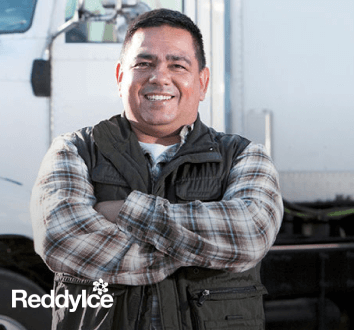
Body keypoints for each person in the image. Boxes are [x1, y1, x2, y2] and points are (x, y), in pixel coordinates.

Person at [30, 8, 283, 330]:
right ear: (121, 77)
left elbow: (249, 234)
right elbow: (62, 239)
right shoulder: (73, 150)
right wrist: (198, 251)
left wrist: (127, 211)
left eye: (177, 65)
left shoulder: (245, 155)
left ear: (202, 83)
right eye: (144, 64)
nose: (159, 77)